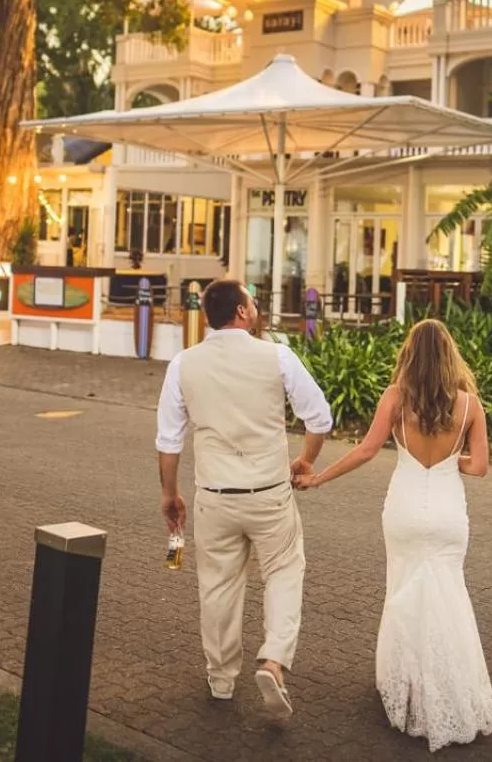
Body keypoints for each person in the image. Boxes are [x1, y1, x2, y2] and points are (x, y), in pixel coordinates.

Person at [299, 318, 492, 752]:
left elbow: (366, 450)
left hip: (404, 508)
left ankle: (405, 686)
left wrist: (320, 478)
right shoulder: (470, 405)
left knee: (403, 592)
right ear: (450, 356)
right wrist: (450, 465)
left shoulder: (395, 398)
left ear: (409, 354)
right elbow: (479, 466)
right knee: (449, 594)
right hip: (447, 512)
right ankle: (453, 688)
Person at [155, 280, 334, 720]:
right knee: (285, 570)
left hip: (214, 497)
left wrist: (170, 493)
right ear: (241, 312)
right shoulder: (277, 356)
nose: (255, 307)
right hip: (269, 495)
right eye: (252, 302)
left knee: (217, 587)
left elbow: (169, 441)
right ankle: (273, 660)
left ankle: (220, 680)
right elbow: (320, 417)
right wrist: (306, 460)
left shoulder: (183, 364)